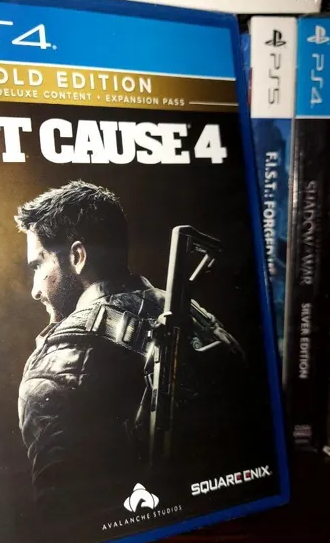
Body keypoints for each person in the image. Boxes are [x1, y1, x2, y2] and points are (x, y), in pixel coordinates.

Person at [14, 180, 243, 524]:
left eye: (38, 265)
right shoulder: (196, 315)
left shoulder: (58, 357)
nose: (35, 290)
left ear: (77, 257)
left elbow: (62, 521)